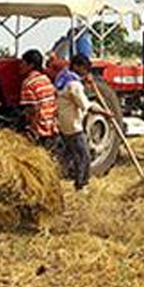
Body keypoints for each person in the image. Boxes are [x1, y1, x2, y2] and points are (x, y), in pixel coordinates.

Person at [54, 54, 112, 190]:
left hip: (63, 123)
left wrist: (86, 83)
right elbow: (87, 105)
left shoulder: (62, 78)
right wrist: (105, 112)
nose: (86, 72)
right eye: (84, 69)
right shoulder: (74, 84)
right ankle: (82, 185)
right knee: (83, 156)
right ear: (76, 67)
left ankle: (63, 178)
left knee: (68, 155)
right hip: (73, 126)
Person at [18, 49, 60, 153]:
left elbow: (32, 109)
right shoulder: (45, 79)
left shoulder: (28, 83)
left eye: (23, 63)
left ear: (31, 65)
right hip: (52, 127)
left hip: (40, 131)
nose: (20, 66)